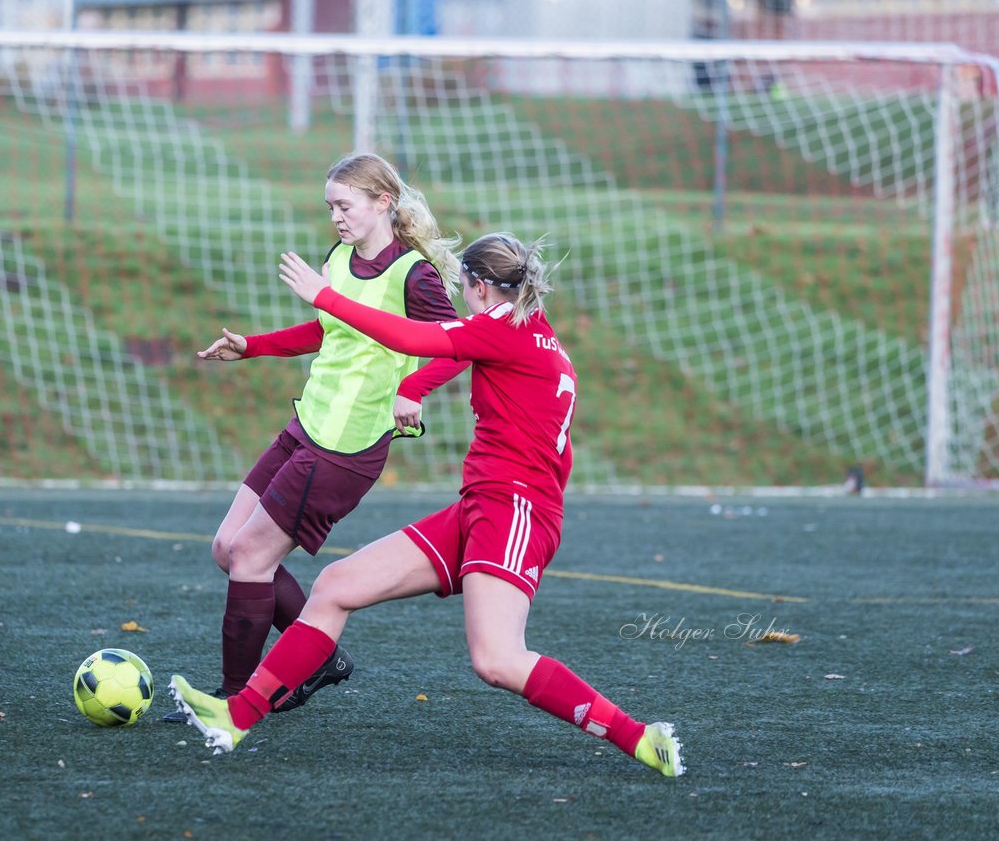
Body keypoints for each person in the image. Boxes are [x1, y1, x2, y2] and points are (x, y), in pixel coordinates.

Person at [170, 233, 684, 778]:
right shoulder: (533, 334)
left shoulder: (505, 330)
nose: (462, 297)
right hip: (482, 506)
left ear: (479, 286)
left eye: (463, 287)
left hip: (514, 512)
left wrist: (325, 296)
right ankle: (236, 716)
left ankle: (642, 739)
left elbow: (406, 334)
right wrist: (412, 382)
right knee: (335, 587)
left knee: (497, 659)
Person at [163, 153, 467, 723]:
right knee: (227, 550)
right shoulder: (341, 258)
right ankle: (320, 657)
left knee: (251, 556)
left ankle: (232, 702)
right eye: (330, 206)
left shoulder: (414, 275)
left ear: (383, 203)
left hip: (345, 449)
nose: (336, 217)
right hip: (307, 426)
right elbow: (326, 329)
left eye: (344, 205)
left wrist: (415, 388)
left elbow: (456, 344)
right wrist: (251, 346)